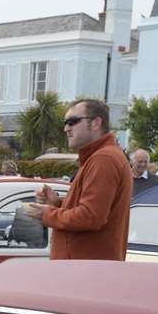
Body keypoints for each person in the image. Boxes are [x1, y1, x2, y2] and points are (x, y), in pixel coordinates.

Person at [33, 99, 131, 261]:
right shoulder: (100, 157)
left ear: (96, 123)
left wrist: (47, 214)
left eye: (72, 122)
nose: (66, 129)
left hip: (85, 271)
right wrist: (58, 203)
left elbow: (90, 217)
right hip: (86, 269)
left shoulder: (103, 159)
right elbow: (93, 210)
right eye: (65, 123)